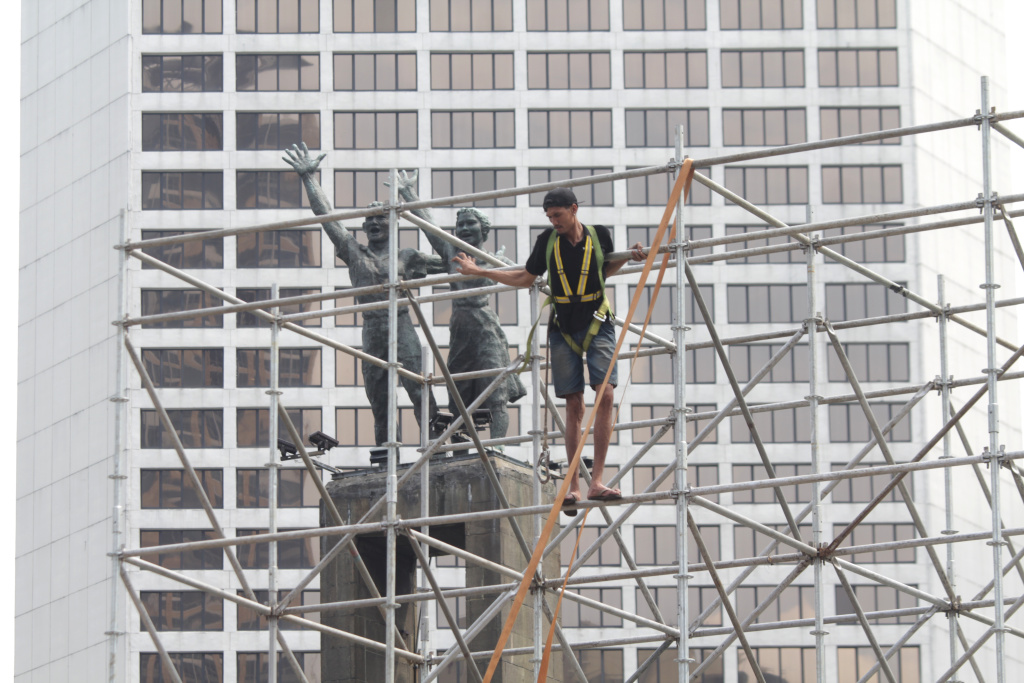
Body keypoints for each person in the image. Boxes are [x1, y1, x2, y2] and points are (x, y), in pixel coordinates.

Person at [452, 188, 645, 510]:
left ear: (573, 209)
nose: (554, 221)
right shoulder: (547, 242)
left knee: (606, 394)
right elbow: (526, 278)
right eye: (549, 217)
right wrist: (482, 272)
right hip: (563, 328)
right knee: (573, 404)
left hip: (598, 321)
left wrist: (628, 255)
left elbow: (603, 270)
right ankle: (573, 487)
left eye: (558, 215)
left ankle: (596, 480)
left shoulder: (599, 236)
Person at [283, 144, 439, 446]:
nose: (374, 222)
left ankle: (435, 446)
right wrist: (308, 179)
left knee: (419, 390)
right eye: (369, 219)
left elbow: (451, 257)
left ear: (393, 223)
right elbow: (326, 217)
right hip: (373, 331)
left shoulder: (406, 256)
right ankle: (385, 455)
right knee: (379, 400)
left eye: (381, 217)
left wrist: (410, 198)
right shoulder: (354, 252)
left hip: (402, 326)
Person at [392, 171, 527, 442]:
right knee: (458, 394)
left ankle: (496, 448)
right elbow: (431, 227)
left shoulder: (495, 260)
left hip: (485, 326)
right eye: (461, 224)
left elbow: (523, 278)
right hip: (460, 329)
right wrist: (408, 194)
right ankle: (460, 450)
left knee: (496, 390)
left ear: (483, 230)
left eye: (470, 224)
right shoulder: (452, 255)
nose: (464, 229)